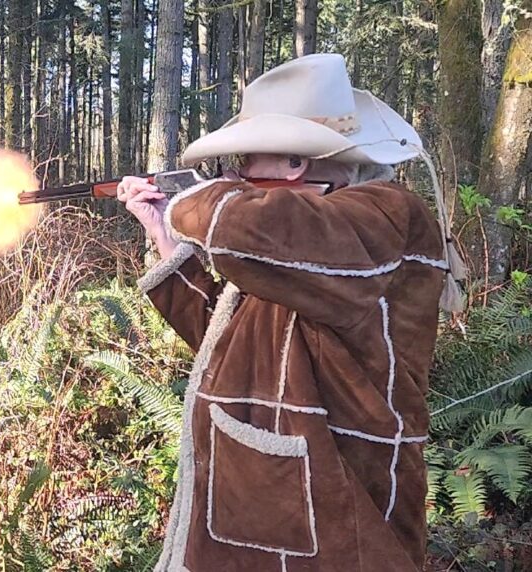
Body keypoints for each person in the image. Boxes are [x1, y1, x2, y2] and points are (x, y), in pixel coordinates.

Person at [116, 54, 465, 572]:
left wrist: (199, 198)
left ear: (295, 163)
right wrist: (165, 233)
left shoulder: (386, 213)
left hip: (344, 510)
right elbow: (232, 344)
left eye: (244, 161)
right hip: (268, 504)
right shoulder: (289, 245)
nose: (235, 175)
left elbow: (251, 225)